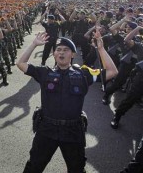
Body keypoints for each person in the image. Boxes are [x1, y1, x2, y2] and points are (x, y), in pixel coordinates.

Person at [17, 30, 118, 172]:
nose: (61, 52)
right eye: (58, 50)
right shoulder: (44, 73)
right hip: (47, 129)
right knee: (34, 167)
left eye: (66, 50)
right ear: (54, 54)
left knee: (76, 168)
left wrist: (100, 49)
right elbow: (21, 63)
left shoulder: (84, 74)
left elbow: (112, 71)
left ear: (73, 54)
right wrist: (34, 44)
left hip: (73, 131)